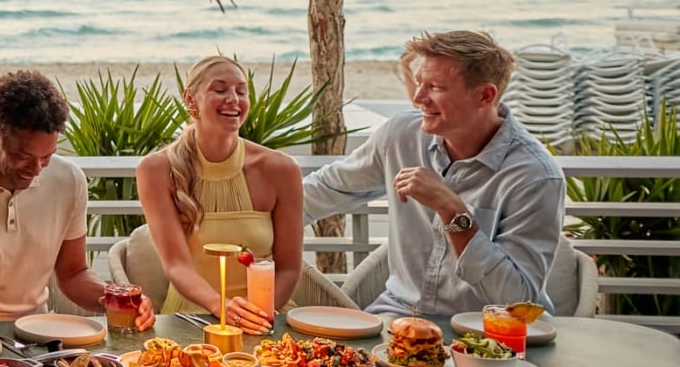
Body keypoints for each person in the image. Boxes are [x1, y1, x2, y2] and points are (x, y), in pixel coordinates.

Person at [303, 30, 562, 316]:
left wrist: (452, 211)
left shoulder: (535, 176)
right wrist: (251, 219)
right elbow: (323, 190)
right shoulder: (400, 137)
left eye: (435, 87)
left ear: (485, 95)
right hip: (399, 319)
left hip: (492, 334)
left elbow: (519, 302)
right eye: (418, 83)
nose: (418, 98)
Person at [0, 69, 153, 329]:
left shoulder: (68, 179)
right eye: (22, 156)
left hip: (39, 331)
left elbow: (73, 274)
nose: (35, 170)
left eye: (47, 157)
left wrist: (116, 299)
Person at [136, 56, 304, 334]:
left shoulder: (281, 169)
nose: (234, 99)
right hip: (191, 319)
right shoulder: (155, 170)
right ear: (191, 98)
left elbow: (289, 268)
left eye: (241, 90)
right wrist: (220, 307)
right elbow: (177, 266)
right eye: (220, 89)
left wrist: (258, 316)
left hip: (264, 319)